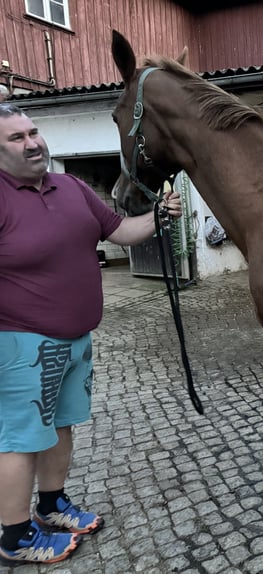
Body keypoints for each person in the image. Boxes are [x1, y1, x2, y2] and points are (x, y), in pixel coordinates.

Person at [0, 102, 182, 564]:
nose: (33, 142)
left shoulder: (71, 186)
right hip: (21, 343)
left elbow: (119, 231)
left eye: (33, 131)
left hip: (76, 340)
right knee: (20, 439)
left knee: (61, 426)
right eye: (16, 138)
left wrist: (159, 215)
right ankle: (16, 537)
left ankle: (51, 504)